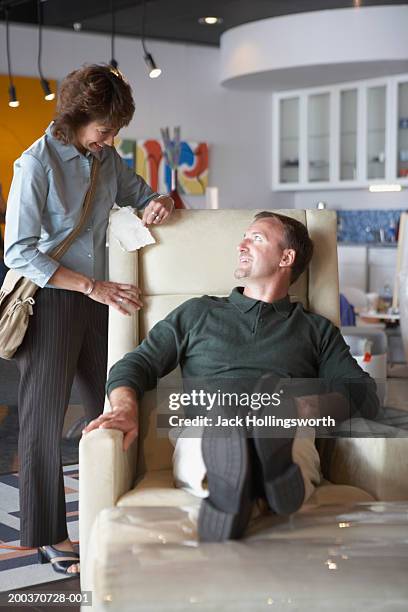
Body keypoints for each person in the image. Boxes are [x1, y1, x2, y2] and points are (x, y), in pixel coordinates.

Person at [83, 212, 379, 542]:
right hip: (208, 429)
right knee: (218, 434)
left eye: (256, 238)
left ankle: (240, 494)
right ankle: (265, 487)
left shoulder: (315, 330)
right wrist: (123, 408)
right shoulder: (198, 313)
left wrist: (305, 408)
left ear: (286, 257)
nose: (240, 244)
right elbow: (134, 365)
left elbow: (363, 393)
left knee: (279, 433)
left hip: (285, 429)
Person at [4, 64, 174, 575]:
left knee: (117, 402)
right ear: (77, 118)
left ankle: (124, 511)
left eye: (116, 130)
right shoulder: (34, 165)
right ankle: (48, 535)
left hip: (100, 302)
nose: (110, 138)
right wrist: (90, 286)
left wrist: (161, 202)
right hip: (53, 299)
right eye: (104, 129)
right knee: (42, 420)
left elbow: (143, 194)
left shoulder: (105, 158)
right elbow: (18, 251)